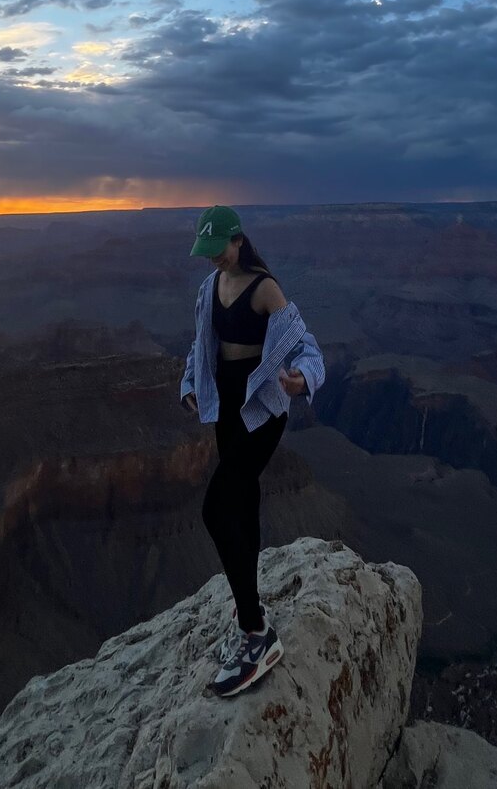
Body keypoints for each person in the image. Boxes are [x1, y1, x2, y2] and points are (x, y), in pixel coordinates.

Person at [179, 204, 325, 699]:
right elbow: (201, 344)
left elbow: (305, 344)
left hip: (260, 412)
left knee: (215, 510)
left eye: (217, 250)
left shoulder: (265, 288)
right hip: (225, 406)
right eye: (207, 252)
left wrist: (302, 378)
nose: (213, 259)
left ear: (238, 240)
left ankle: (257, 632)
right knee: (240, 504)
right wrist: (189, 383)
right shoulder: (211, 287)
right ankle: (251, 620)